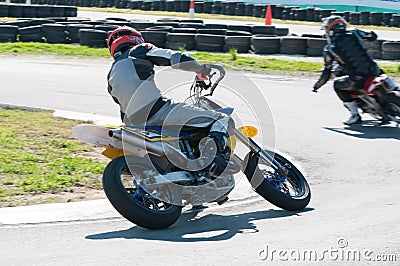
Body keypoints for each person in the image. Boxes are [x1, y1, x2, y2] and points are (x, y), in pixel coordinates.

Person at [106, 26, 234, 174]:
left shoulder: (110, 75)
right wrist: (199, 68)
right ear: (135, 39)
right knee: (220, 118)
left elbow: (120, 102)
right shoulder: (139, 50)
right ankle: (216, 160)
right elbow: (171, 57)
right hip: (159, 112)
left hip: (134, 125)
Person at [313, 16, 383, 125]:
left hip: (358, 77)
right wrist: (368, 36)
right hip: (374, 70)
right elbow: (373, 36)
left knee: (337, 85)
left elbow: (326, 72)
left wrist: (317, 86)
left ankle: (355, 115)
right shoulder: (355, 32)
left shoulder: (330, 48)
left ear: (330, 30)